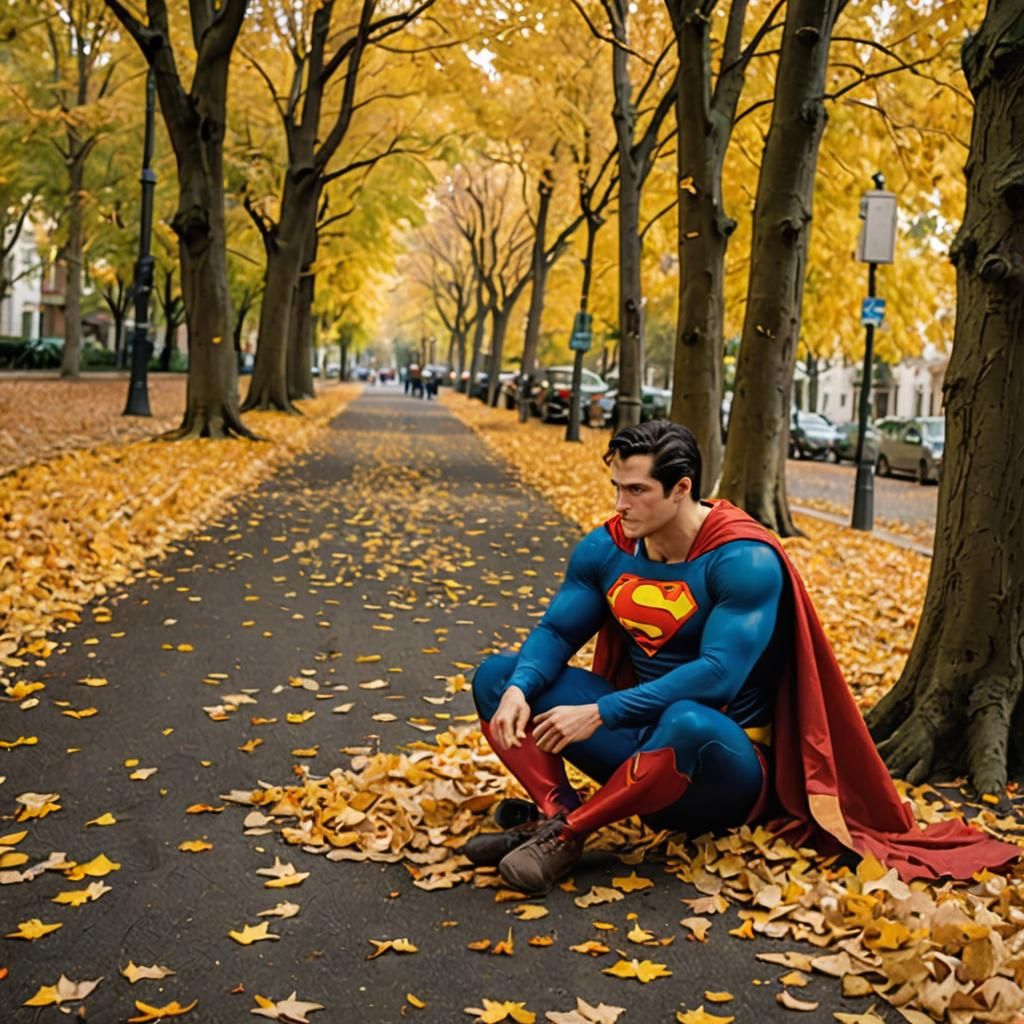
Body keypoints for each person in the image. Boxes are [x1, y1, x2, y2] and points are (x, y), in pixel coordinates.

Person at [465, 421, 1018, 895]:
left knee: (685, 719)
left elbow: (718, 676)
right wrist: (520, 689)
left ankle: (570, 836)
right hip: (637, 740)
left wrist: (602, 713)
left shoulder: (742, 560)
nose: (620, 504)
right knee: (498, 675)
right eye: (616, 487)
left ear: (681, 488)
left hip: (721, 764)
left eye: (636, 491)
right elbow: (558, 630)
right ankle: (553, 816)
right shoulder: (607, 546)